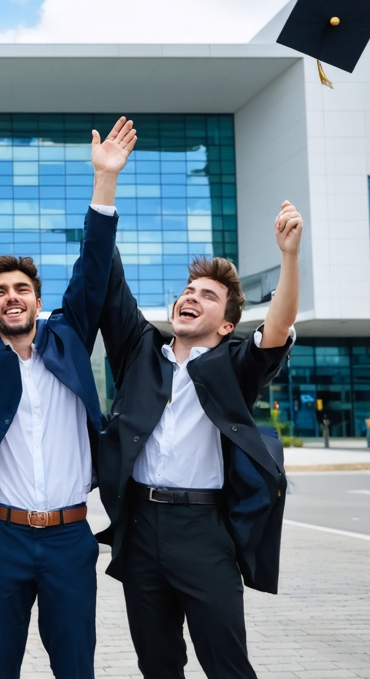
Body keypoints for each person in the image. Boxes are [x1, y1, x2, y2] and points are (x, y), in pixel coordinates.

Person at [97, 148, 300, 678]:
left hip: (203, 530)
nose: (191, 297)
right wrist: (106, 182)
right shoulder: (138, 351)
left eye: (207, 296)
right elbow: (107, 274)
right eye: (188, 291)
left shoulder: (234, 365)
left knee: (227, 663)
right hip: (140, 527)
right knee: (157, 664)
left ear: (227, 324)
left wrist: (289, 258)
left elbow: (275, 330)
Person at [0, 116, 137, 679]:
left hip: (69, 538)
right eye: (0, 294)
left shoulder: (67, 337)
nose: (12, 298)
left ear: (37, 300)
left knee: (76, 666)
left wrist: (103, 182)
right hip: (2, 538)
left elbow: (91, 268)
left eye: (21, 290)